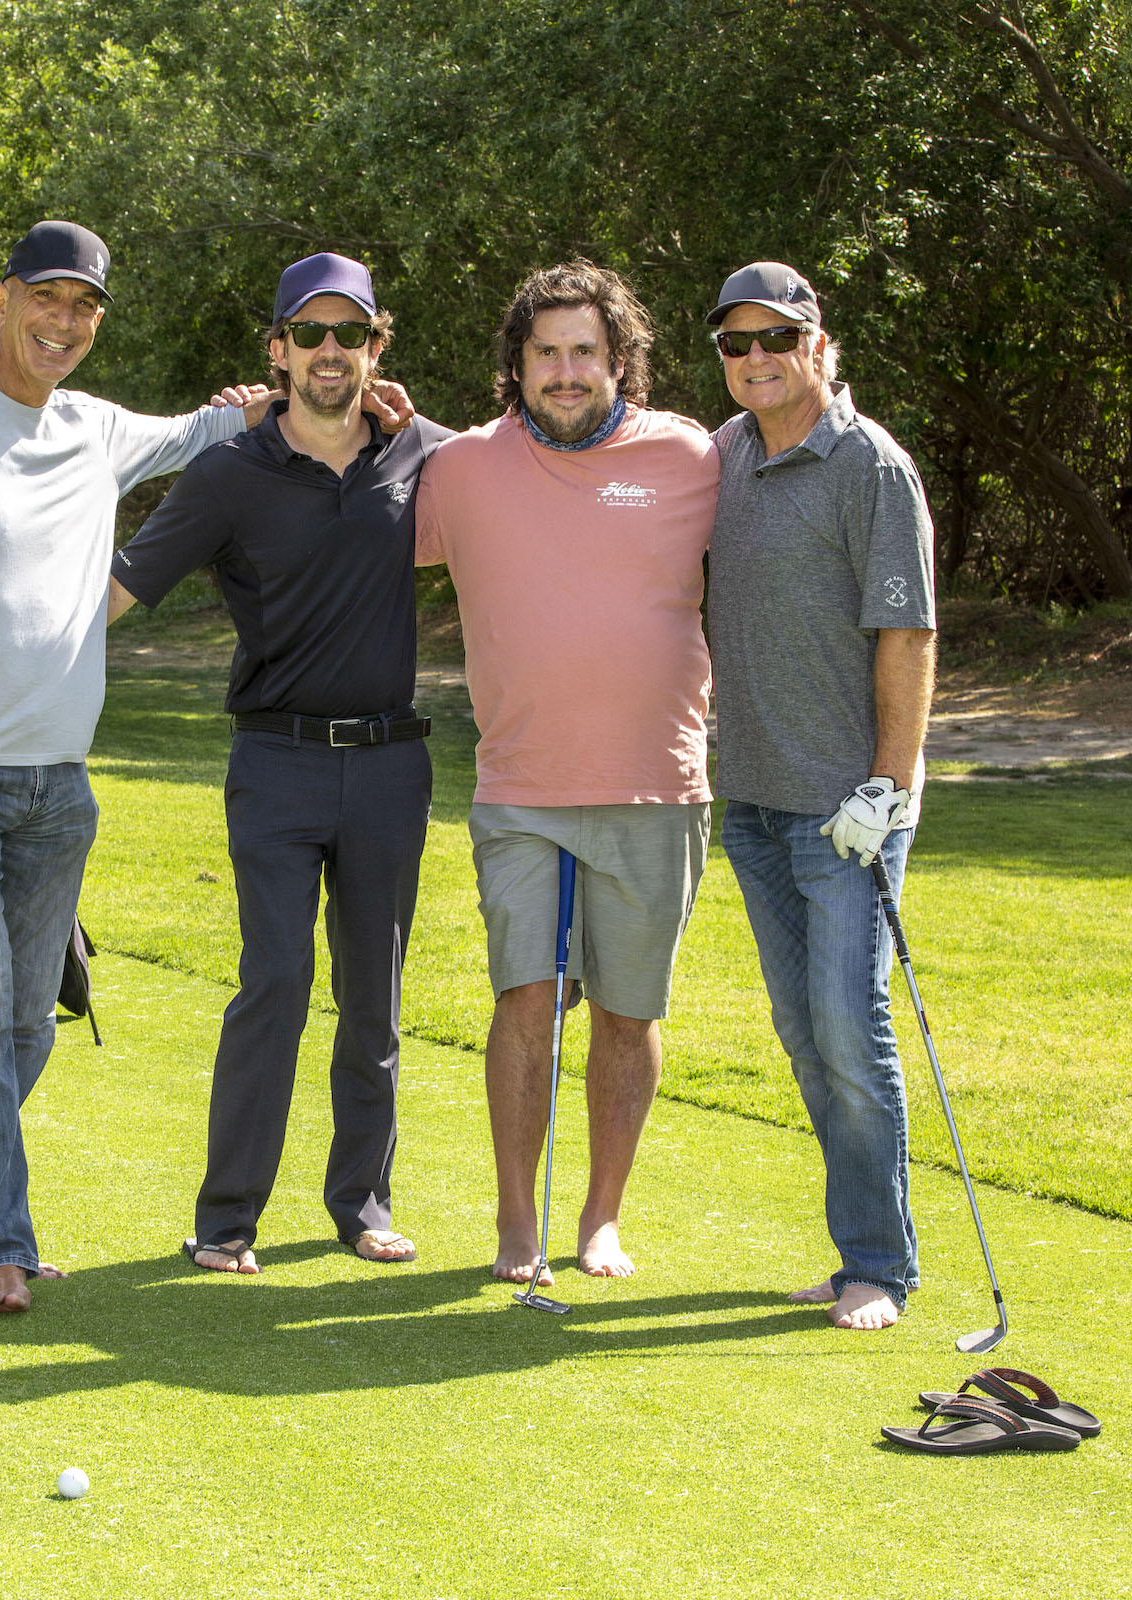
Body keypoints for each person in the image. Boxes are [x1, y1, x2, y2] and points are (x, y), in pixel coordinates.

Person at [0, 222, 404, 1314]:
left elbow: (215, 424)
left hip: (58, 786)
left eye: (84, 307)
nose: (63, 324)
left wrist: (340, 395)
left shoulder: (96, 428)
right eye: (46, 299)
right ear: (0, 298)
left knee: (27, 1020)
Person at [108, 253, 455, 1275]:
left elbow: (521, 481)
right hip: (277, 763)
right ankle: (227, 1220)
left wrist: (419, 423)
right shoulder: (228, 476)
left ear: (376, 348)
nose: (330, 352)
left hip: (391, 766)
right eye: (311, 334)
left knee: (376, 995)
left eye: (351, 334)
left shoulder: (420, 457)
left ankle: (362, 1202)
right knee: (276, 981)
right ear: (278, 350)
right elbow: (115, 597)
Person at [414, 261, 721, 1287]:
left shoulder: (688, 457)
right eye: (545, 351)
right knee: (526, 1004)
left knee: (629, 1018)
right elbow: (346, 507)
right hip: (521, 790)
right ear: (516, 365)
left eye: (584, 349)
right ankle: (515, 1224)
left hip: (657, 788)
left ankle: (599, 1220)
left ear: (619, 357)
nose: (565, 369)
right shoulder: (460, 468)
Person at [702, 261, 938, 1333]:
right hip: (750, 800)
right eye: (735, 343)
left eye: (775, 339)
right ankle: (857, 1251)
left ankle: (881, 1265)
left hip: (848, 812)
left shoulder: (869, 466)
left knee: (853, 1031)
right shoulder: (725, 457)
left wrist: (888, 785)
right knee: (806, 1034)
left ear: (817, 345)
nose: (755, 359)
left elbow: (909, 635)